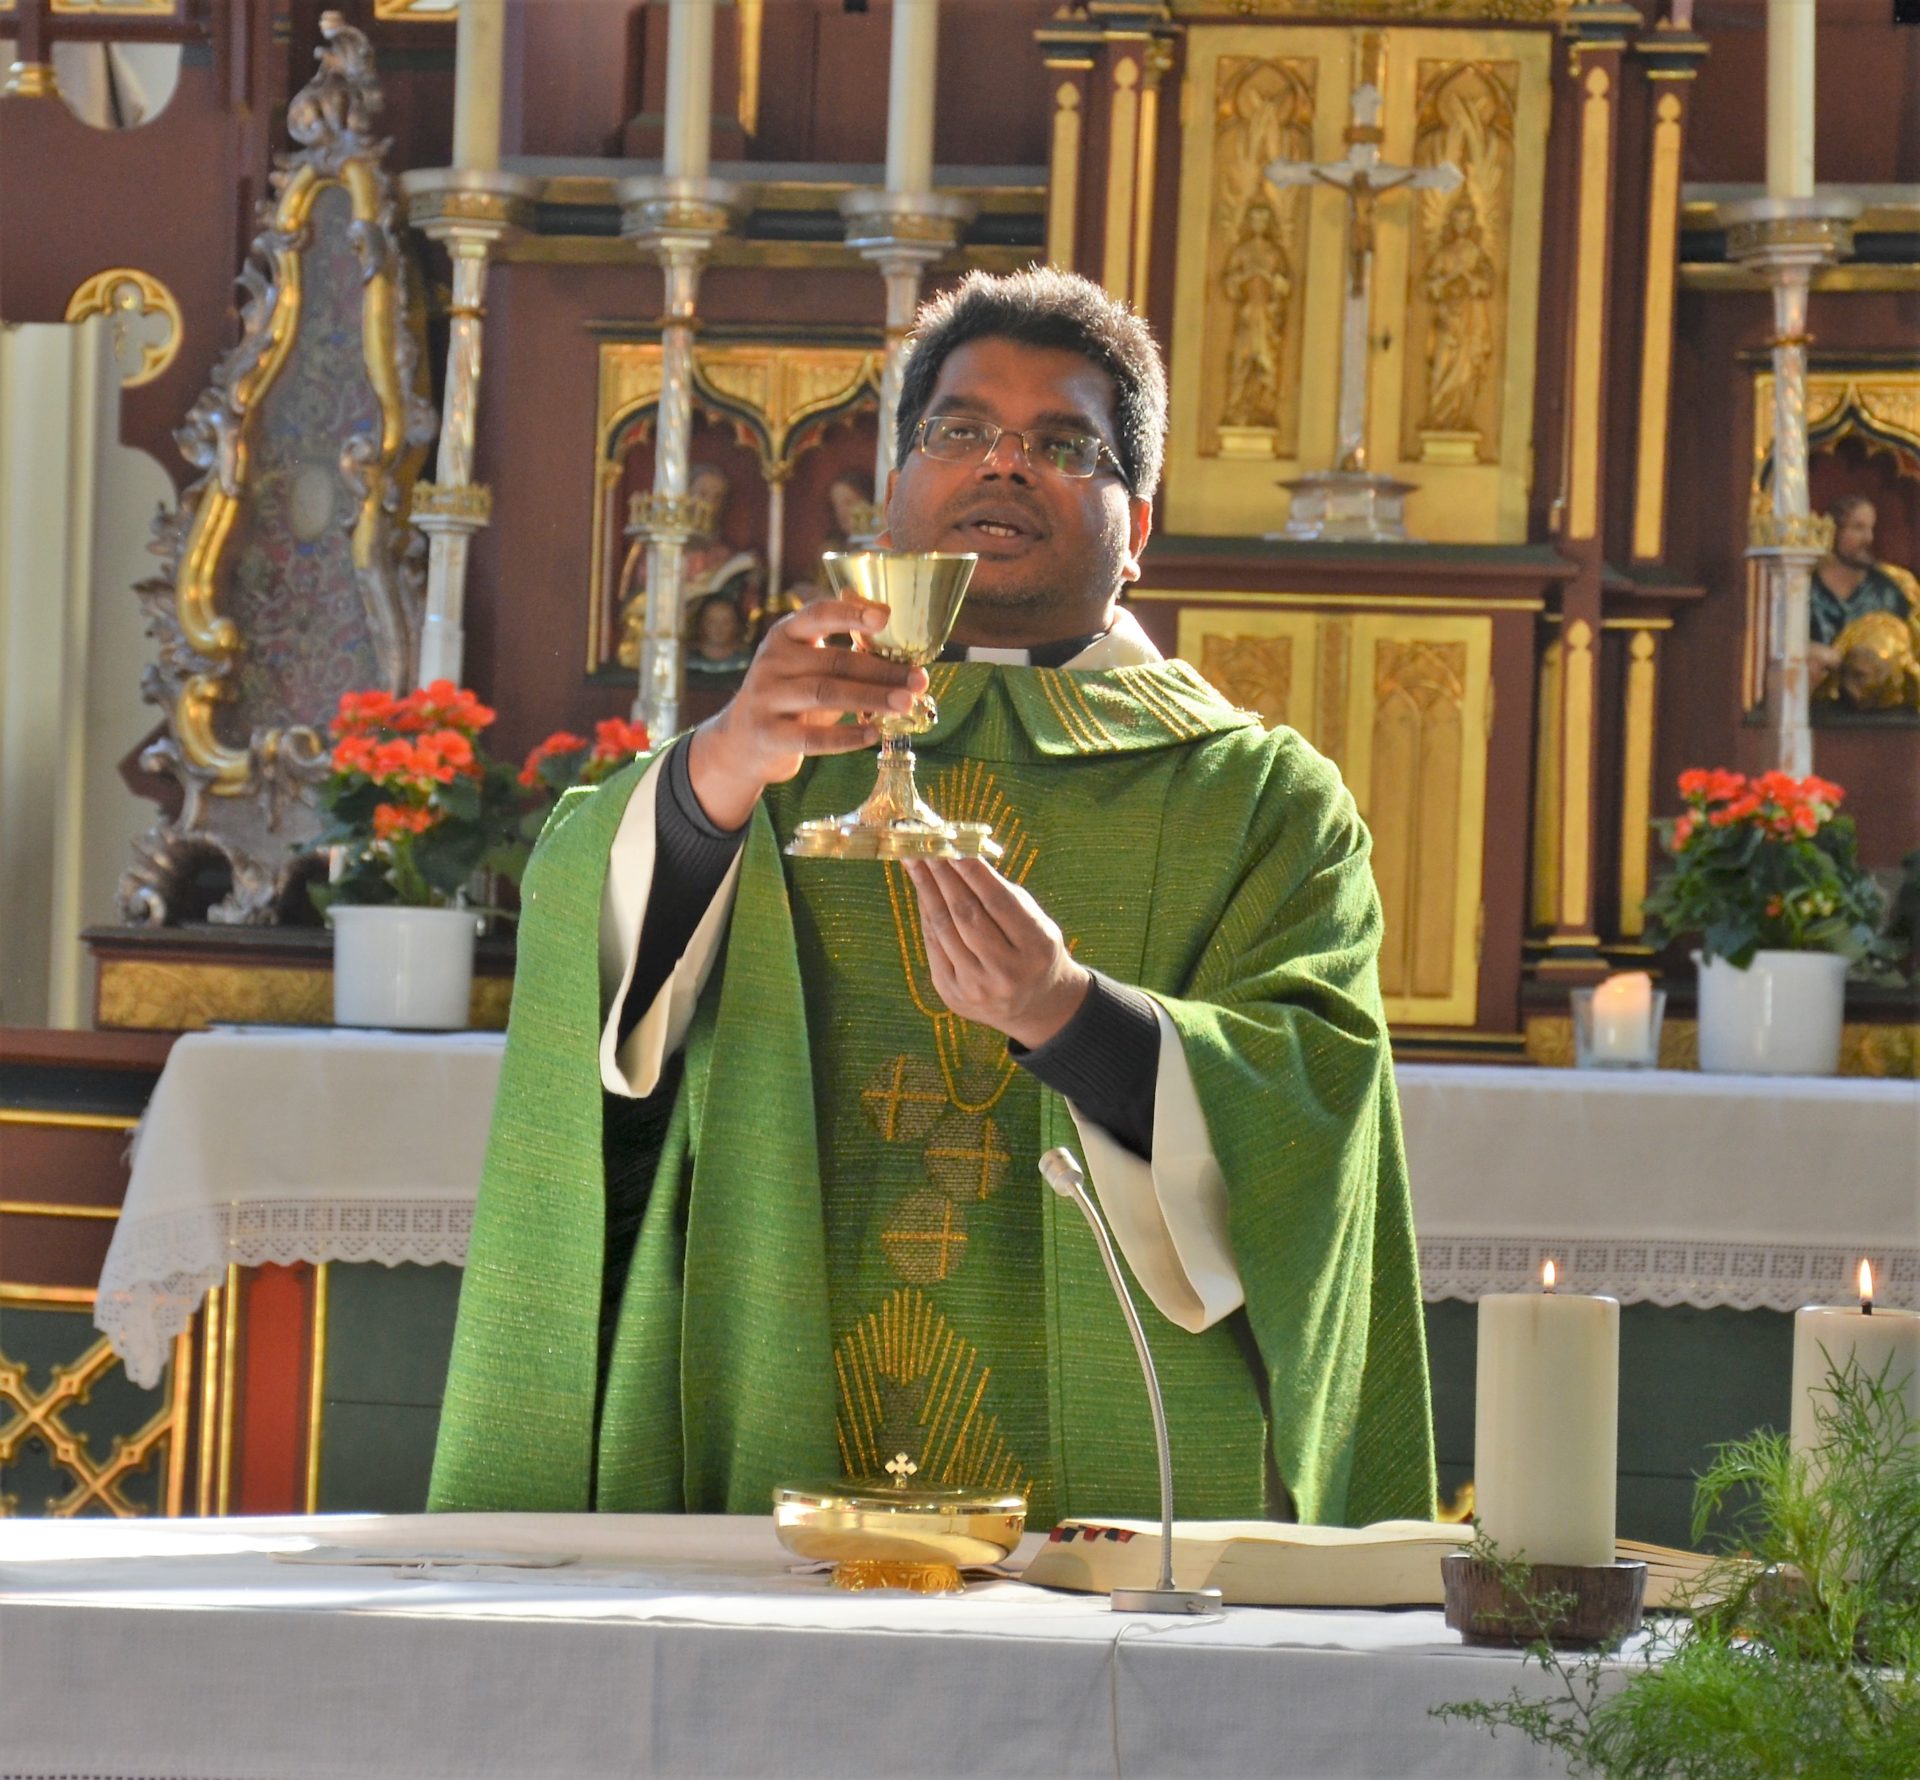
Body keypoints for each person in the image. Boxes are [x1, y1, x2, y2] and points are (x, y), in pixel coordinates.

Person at [431, 267, 1434, 1530]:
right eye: (959, 430)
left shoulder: (1259, 799)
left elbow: (1319, 1111)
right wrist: (720, 769)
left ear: (1142, 526)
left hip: (1133, 1494)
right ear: (893, 496)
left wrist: (1070, 1016)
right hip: (768, 1421)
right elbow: (592, 958)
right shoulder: (783, 747)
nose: (1003, 466)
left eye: (1063, 443)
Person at [1808, 496, 1918, 695]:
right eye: (1858, 528)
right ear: (1834, 532)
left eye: (1870, 528)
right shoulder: (1805, 589)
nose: (1868, 538)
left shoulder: (1888, 591)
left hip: (1878, 713)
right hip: (1818, 707)